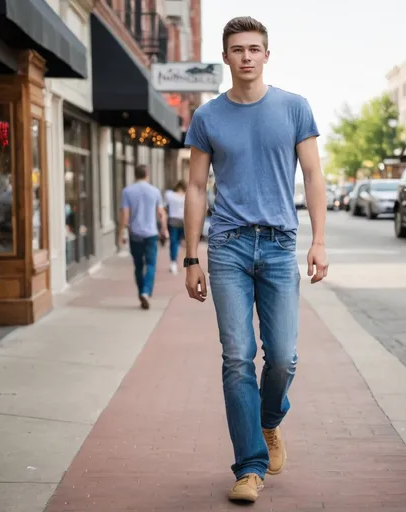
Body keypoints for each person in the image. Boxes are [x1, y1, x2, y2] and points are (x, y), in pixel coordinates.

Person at [183, 16, 328, 503]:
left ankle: (269, 421)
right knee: (237, 358)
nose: (246, 56)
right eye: (237, 49)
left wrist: (319, 240)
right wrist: (190, 257)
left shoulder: (294, 108)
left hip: (281, 246)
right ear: (225, 57)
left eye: (255, 48)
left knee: (283, 356)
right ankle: (249, 467)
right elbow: (197, 187)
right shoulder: (207, 118)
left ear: (267, 55)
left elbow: (312, 175)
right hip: (227, 247)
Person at [119, 165, 168, 310]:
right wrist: (164, 229)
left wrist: (122, 233)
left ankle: (141, 292)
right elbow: (161, 213)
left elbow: (125, 215)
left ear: (135, 175)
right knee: (151, 264)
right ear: (147, 175)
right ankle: (146, 292)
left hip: (135, 234)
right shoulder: (155, 191)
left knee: (138, 266)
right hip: (151, 234)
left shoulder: (127, 191)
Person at [164, 180, 187, 275]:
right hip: (184, 221)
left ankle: (173, 262)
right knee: (180, 242)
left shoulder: (169, 194)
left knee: (173, 242)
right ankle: (179, 261)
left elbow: (165, 206)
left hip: (173, 221)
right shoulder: (186, 196)